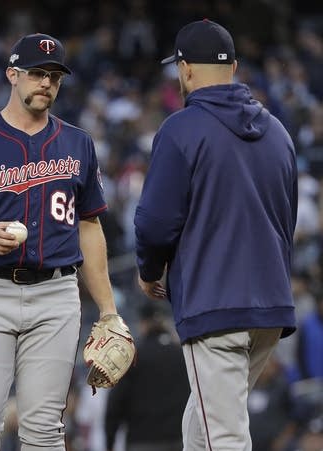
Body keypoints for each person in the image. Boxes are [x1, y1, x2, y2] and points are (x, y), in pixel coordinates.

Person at [0, 33, 124, 450]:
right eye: (37, 74)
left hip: (56, 293)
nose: (46, 84)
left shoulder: (77, 142)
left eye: (54, 77)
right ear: (12, 75)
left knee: (43, 427)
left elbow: (89, 226)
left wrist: (108, 310)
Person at [133, 20, 297, 450]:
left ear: (184, 70)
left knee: (224, 435)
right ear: (235, 67)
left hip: (215, 305)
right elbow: (287, 220)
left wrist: (149, 270)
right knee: (203, 420)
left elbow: (153, 223)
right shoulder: (279, 133)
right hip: (269, 308)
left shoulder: (181, 128)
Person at [104, 302, 189, 451]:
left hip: (142, 442)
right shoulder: (183, 354)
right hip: (180, 441)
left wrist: (109, 444)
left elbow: (115, 405)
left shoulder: (132, 357)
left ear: (143, 323)